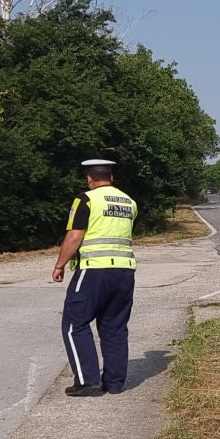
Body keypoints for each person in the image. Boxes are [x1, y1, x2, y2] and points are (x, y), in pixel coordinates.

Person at [51, 159, 137, 397]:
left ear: (89, 178)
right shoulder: (129, 202)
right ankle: (115, 383)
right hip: (125, 271)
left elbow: (74, 236)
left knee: (73, 323)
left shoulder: (86, 199)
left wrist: (60, 264)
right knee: (115, 326)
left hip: (93, 270)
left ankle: (87, 380)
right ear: (112, 177)